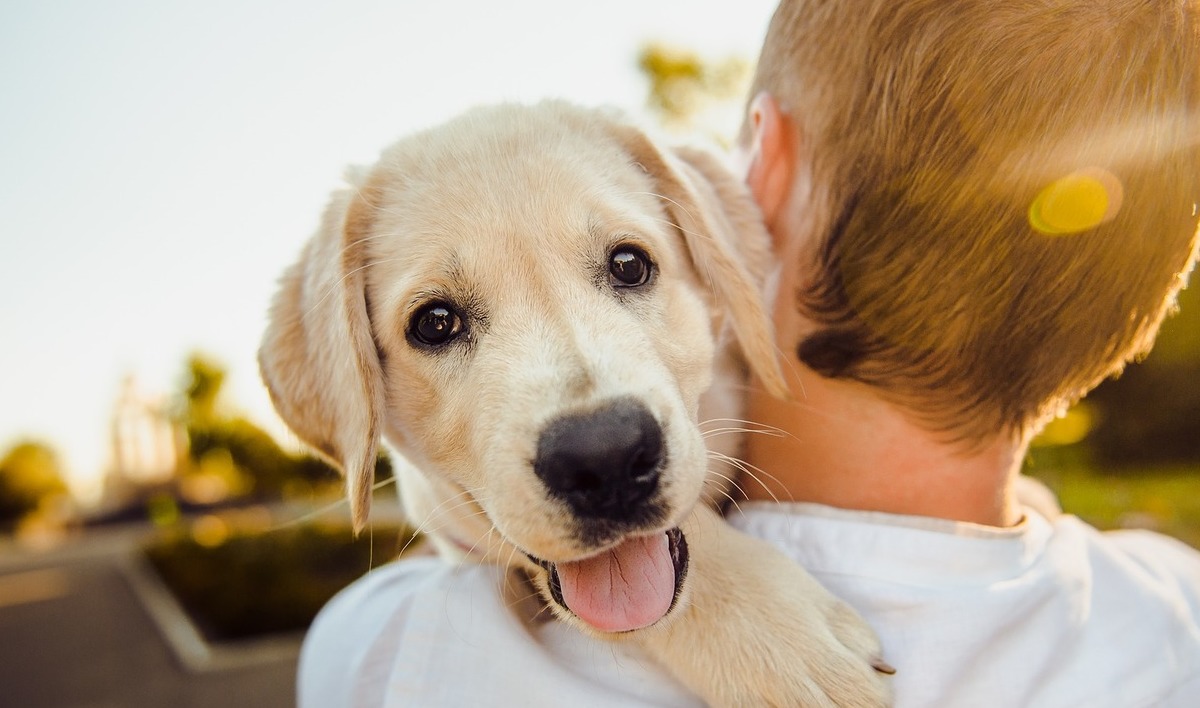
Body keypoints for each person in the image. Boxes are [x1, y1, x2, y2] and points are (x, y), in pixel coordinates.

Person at [298, 0, 1200, 705]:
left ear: (756, 179)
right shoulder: (1173, 610)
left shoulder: (388, 656)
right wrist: (705, 587)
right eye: (439, 324)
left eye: (626, 267)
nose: (595, 428)